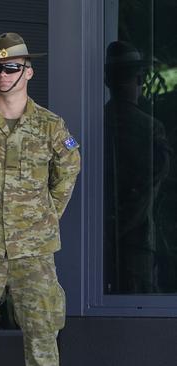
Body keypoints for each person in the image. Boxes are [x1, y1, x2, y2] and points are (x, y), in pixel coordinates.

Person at [0, 32, 81, 366]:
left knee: (42, 334)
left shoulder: (50, 126)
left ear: (28, 71)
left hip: (34, 250)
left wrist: (43, 217)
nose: (2, 76)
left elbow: (67, 173)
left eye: (11, 68)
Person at [103, 40, 171, 294]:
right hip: (137, 239)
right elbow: (153, 182)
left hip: (99, 237)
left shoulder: (92, 124)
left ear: (108, 81)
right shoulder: (150, 128)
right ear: (139, 79)